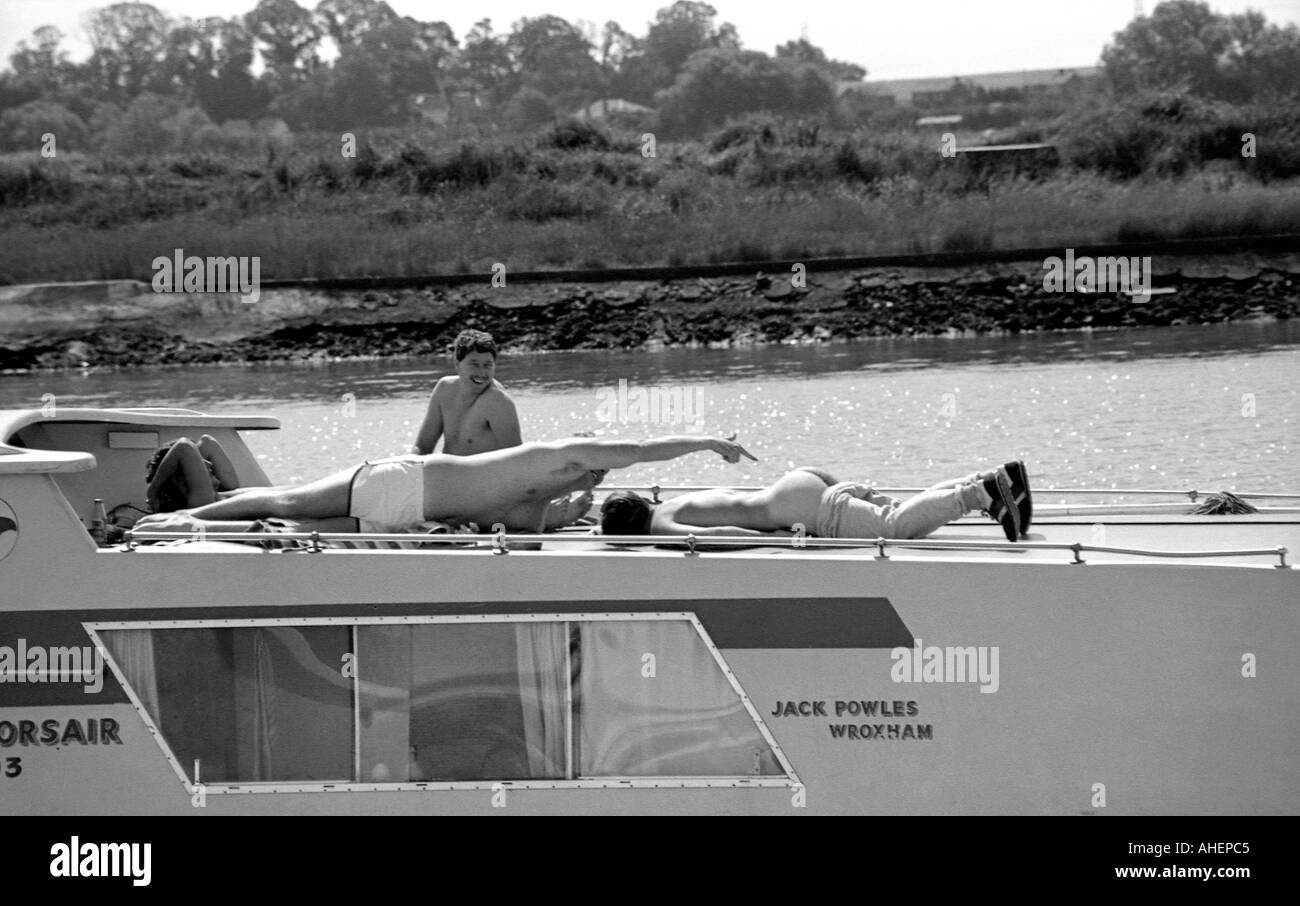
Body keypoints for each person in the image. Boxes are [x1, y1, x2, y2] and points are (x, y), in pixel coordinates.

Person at [133, 434, 757, 535]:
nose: (597, 472)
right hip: (400, 487)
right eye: (592, 472)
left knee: (285, 510)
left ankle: (195, 516)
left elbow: (527, 525)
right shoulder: (556, 453)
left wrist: (575, 508)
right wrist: (703, 441)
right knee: (283, 503)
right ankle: (177, 521)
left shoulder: (537, 490)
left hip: (406, 498)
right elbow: (638, 450)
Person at [600, 462, 1033, 543]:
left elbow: (713, 537)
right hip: (797, 482)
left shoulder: (661, 527)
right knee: (895, 512)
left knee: (893, 528)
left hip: (799, 512)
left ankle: (982, 493)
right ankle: (989, 484)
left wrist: (773, 543)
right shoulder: (670, 501)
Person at [411, 329, 521, 456]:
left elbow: (516, 461)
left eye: (487, 365)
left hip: (483, 475)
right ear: (457, 364)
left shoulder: (497, 401)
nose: (481, 373)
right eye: (474, 364)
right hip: (449, 474)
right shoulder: (445, 389)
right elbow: (423, 446)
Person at [145, 435, 271, 512]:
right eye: (198, 463)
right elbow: (184, 446)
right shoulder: (201, 502)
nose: (210, 464)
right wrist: (152, 491)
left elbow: (207, 442)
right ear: (181, 481)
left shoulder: (223, 492)